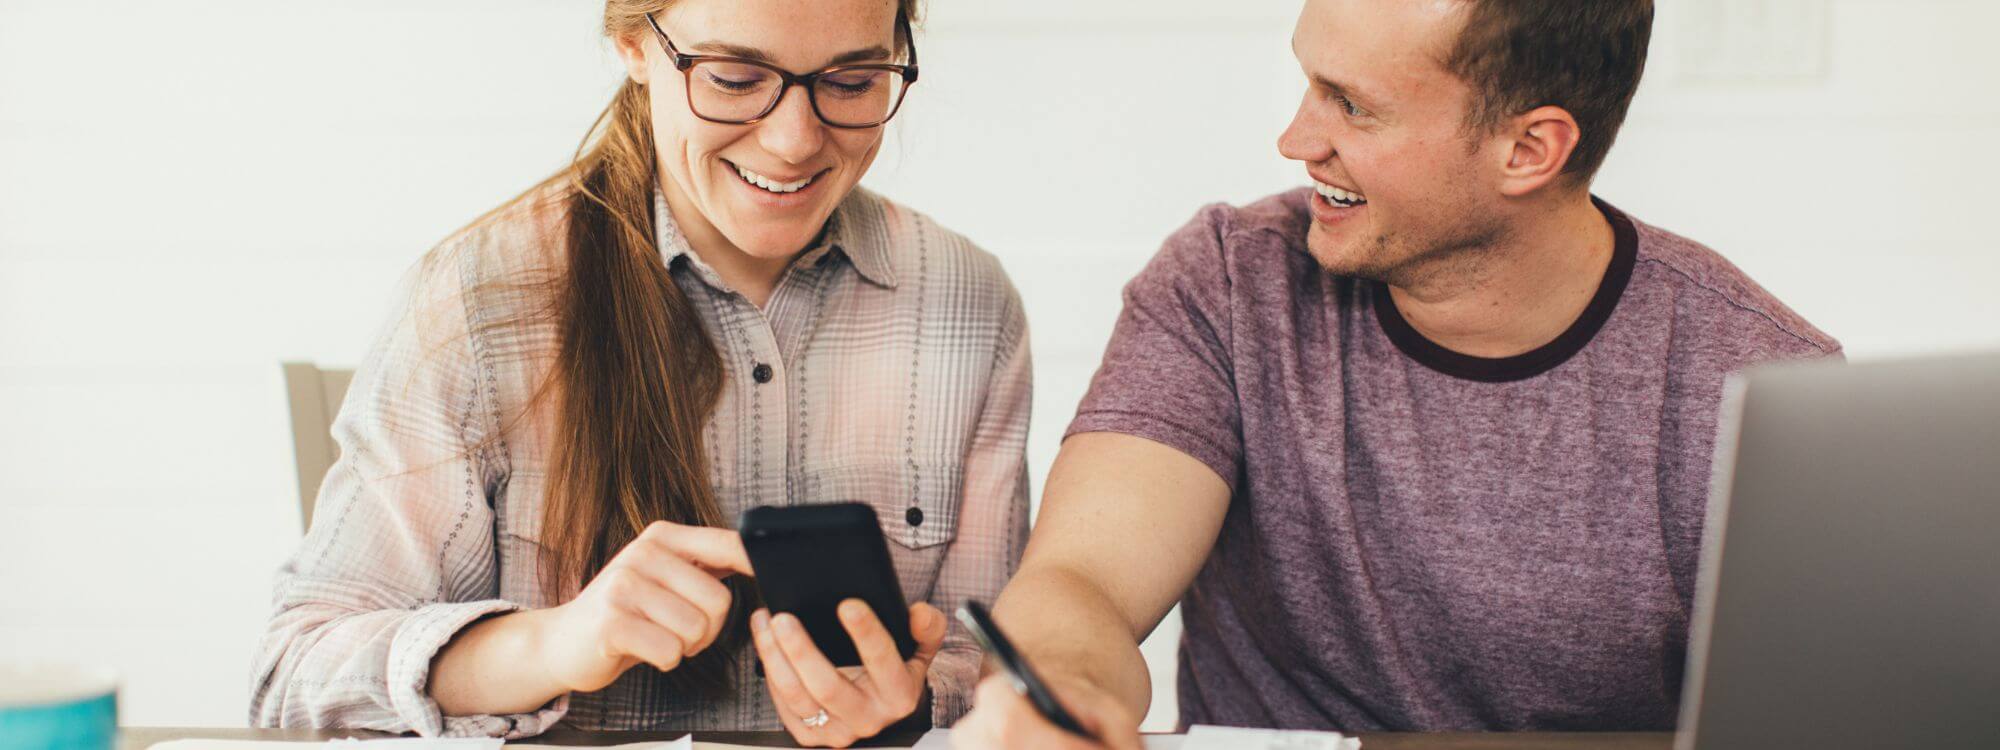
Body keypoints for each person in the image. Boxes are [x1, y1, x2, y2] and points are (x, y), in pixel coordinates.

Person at [951, 1, 1838, 747]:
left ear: (1528, 150)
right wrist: (1057, 698)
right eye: (1309, 84)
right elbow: (1085, 580)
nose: (1297, 139)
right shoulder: (1228, 281)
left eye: (1351, 107)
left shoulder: (1763, 387)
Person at [249, 1, 1031, 746]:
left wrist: (921, 696)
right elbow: (294, 677)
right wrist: (550, 645)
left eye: (853, 82)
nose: (795, 139)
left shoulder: (967, 301)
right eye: (732, 79)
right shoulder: (477, 297)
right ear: (632, 46)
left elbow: (1003, 662)